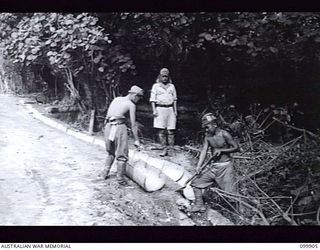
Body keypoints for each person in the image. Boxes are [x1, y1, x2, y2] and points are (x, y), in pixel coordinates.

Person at [190, 113, 239, 212]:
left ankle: (238, 215)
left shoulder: (224, 134)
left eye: (207, 127)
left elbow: (237, 148)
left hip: (226, 168)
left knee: (231, 194)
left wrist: (222, 151)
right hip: (213, 167)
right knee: (196, 183)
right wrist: (199, 166)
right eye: (205, 128)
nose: (206, 130)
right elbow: (204, 150)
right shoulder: (208, 136)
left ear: (214, 125)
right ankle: (199, 205)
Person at [103, 85, 144, 185]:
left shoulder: (117, 99)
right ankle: (120, 179)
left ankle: (104, 173)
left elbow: (108, 115)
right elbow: (133, 124)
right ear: (134, 95)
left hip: (108, 126)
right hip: (119, 127)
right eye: (139, 97)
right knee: (122, 154)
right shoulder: (131, 105)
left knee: (110, 152)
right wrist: (136, 140)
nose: (138, 100)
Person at [149, 68, 178, 156]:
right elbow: (153, 99)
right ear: (160, 76)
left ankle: (171, 149)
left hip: (170, 109)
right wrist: (154, 110)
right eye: (163, 76)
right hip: (160, 109)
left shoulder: (172, 86)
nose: (164, 78)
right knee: (161, 130)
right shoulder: (156, 86)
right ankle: (164, 149)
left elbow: (175, 99)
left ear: (168, 77)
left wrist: (175, 110)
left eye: (166, 76)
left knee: (171, 130)